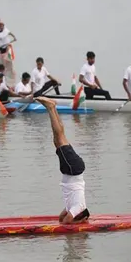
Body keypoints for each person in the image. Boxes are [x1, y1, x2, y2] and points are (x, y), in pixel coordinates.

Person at [35, 96, 90, 224]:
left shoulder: (72, 207)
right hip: (73, 169)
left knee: (58, 139)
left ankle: (53, 108)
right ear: (82, 216)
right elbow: (67, 222)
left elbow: (61, 219)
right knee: (59, 138)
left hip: (73, 169)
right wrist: (77, 225)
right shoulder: (79, 207)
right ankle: (50, 108)